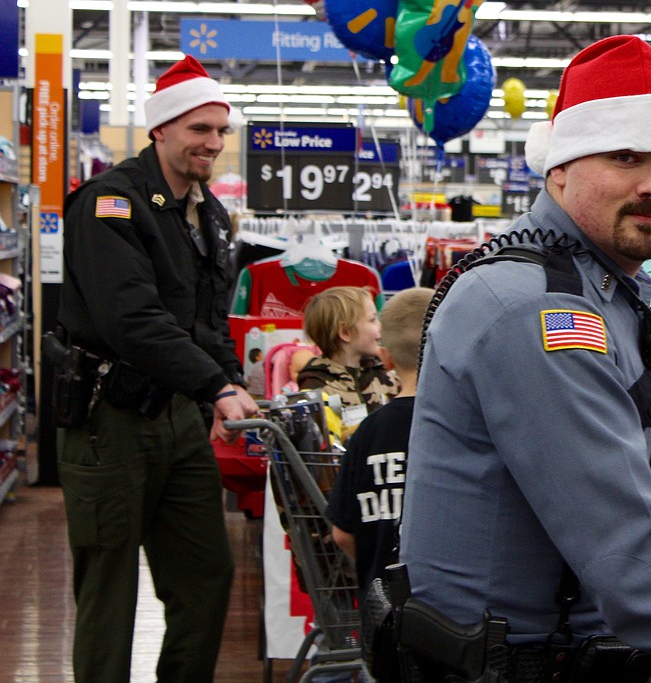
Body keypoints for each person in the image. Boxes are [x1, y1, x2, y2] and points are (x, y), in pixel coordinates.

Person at [399, 35, 651, 682]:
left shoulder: (595, 288)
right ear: (561, 169)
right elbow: (623, 532)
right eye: (627, 157)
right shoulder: (540, 312)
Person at [55, 54, 261, 683]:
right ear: (161, 129)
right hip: (107, 422)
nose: (213, 143)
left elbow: (210, 319)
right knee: (109, 590)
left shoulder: (212, 217)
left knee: (205, 576)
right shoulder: (109, 204)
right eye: (199, 129)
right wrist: (216, 386)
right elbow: (131, 320)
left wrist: (226, 388)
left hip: (178, 419)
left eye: (221, 132)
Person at [327, 286, 433, 594]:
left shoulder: (369, 431)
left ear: (385, 358)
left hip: (383, 608)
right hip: (455, 611)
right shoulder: (466, 426)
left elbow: (342, 535)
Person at [298, 285, 398, 441]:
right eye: (372, 319)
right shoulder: (318, 388)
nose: (380, 325)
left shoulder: (387, 374)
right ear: (345, 332)